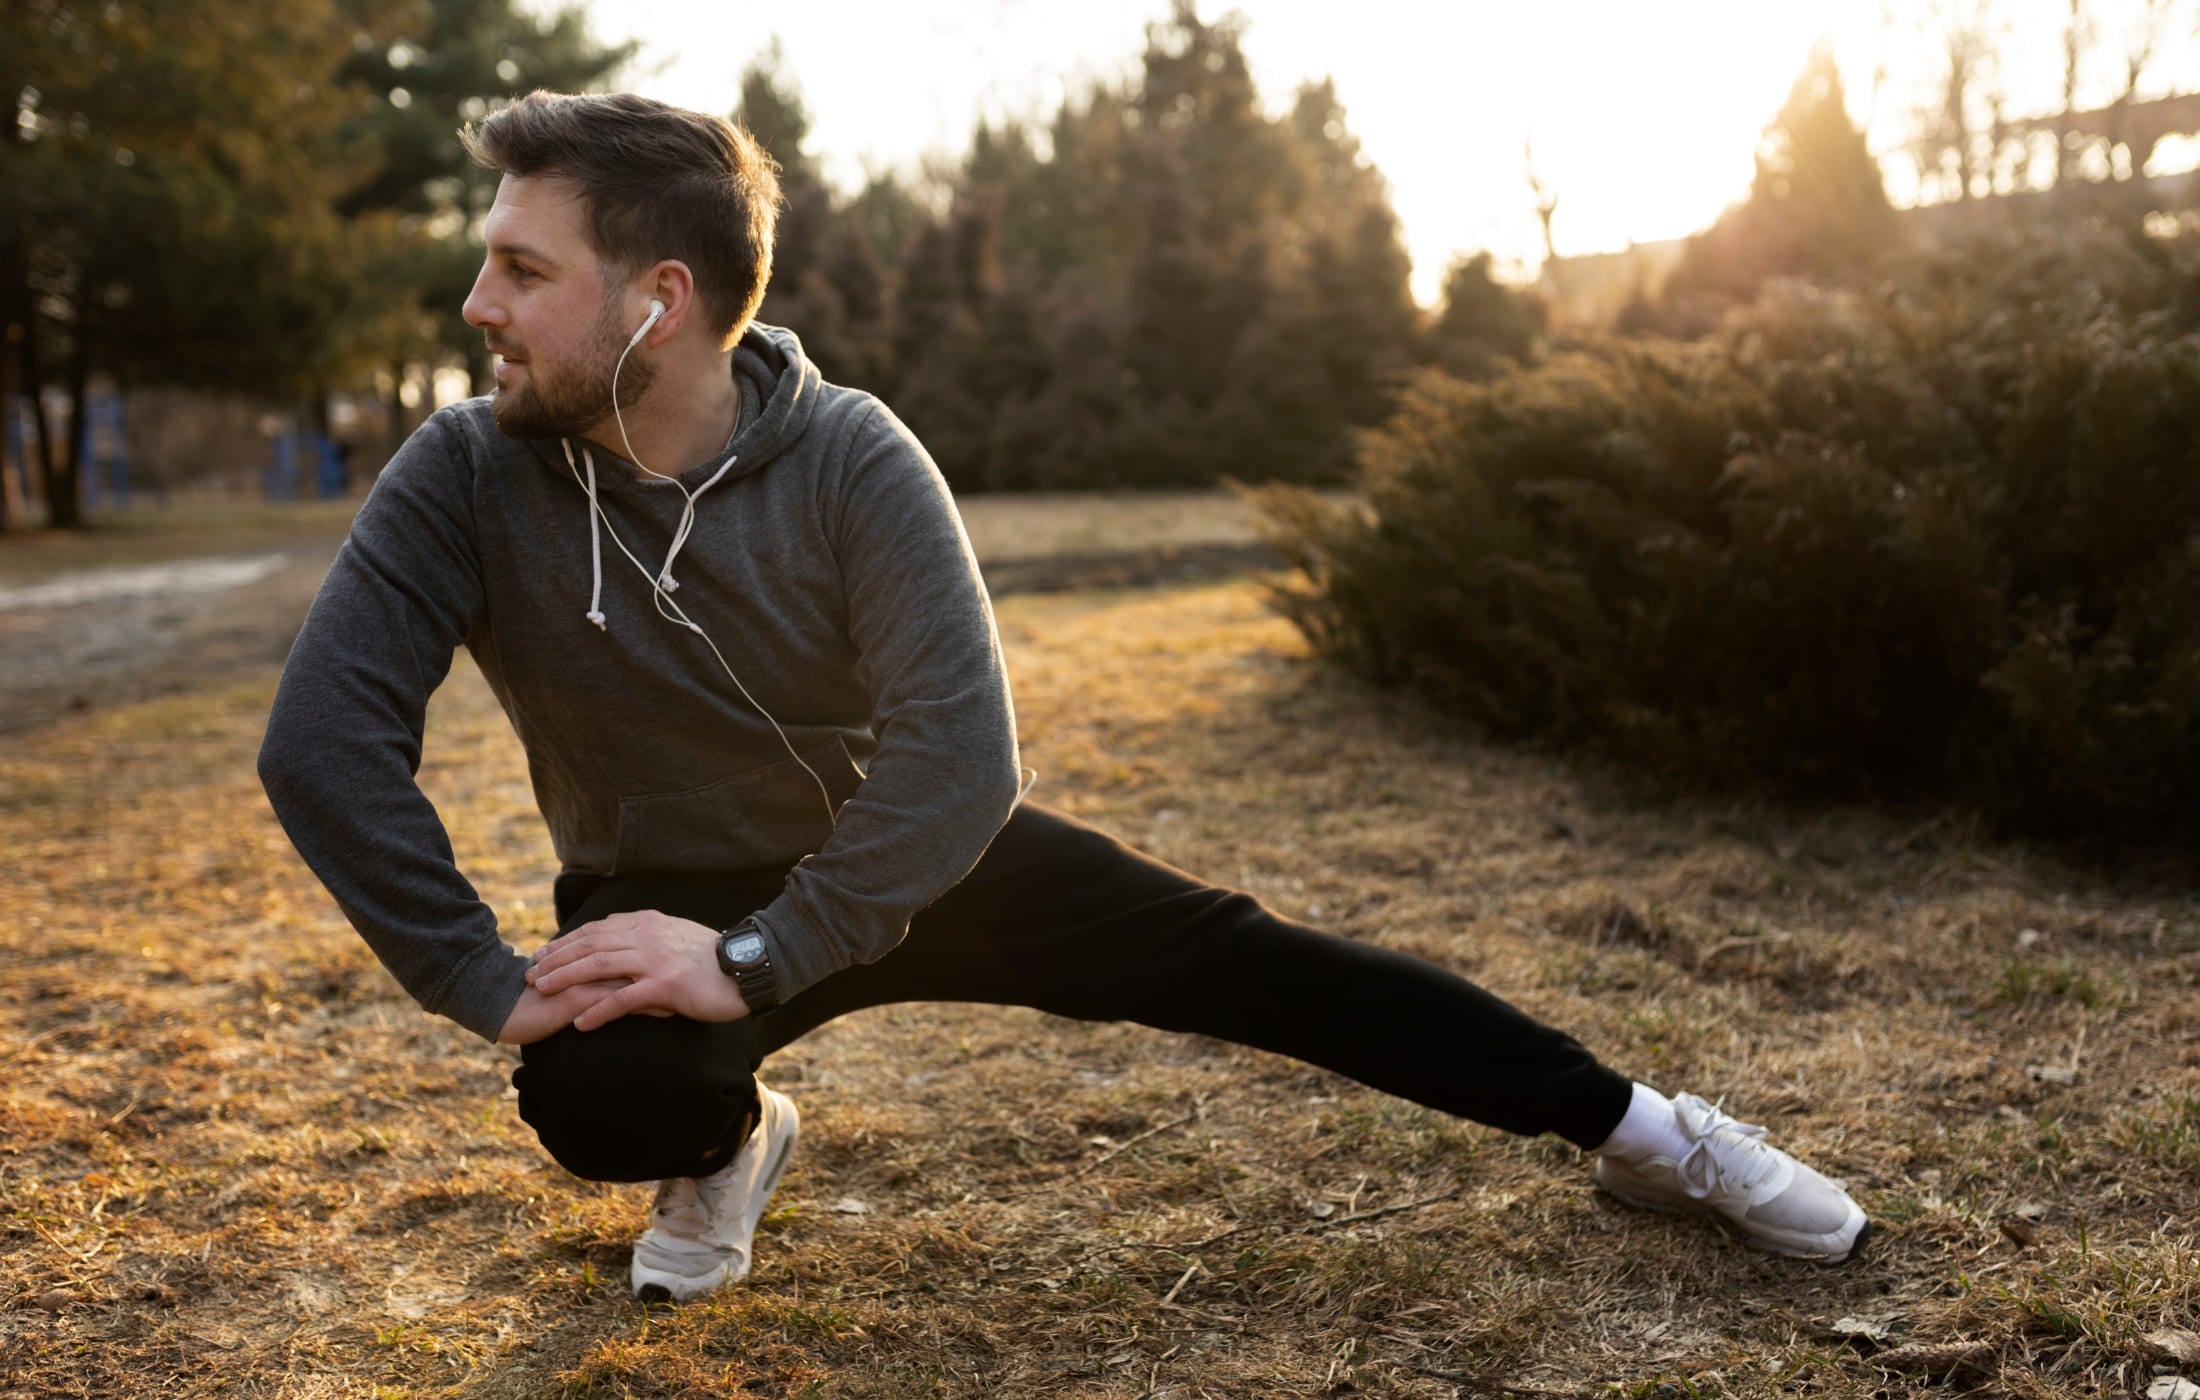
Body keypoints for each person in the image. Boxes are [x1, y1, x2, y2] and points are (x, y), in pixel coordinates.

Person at [257, 91, 1869, 1304]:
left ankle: (1654, 1135)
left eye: (519, 269)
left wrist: (765, 952)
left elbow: (962, 757)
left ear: (657, 301)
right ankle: (723, 1147)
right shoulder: (469, 472)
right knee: (598, 1094)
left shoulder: (852, 458)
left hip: (914, 851)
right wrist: (480, 975)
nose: (478, 305)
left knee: (1257, 962)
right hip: (659, 886)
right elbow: (322, 740)